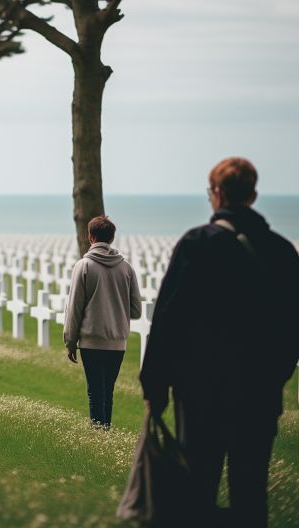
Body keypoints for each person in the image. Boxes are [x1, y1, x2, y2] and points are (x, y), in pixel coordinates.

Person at [140, 157, 299, 528]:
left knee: (197, 489)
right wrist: (276, 376)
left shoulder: (198, 243)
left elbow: (168, 320)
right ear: (254, 195)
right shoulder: (282, 251)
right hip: (259, 392)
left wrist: (154, 383)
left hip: (200, 393)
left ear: (216, 194)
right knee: (250, 492)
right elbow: (292, 326)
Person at [63, 216, 141, 429]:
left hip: (91, 342)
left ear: (90, 237)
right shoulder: (126, 268)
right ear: (112, 238)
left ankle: (99, 438)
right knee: (108, 391)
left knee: (95, 393)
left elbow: (75, 308)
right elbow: (136, 310)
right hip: (117, 343)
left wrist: (70, 342)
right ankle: (105, 435)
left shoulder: (84, 266)